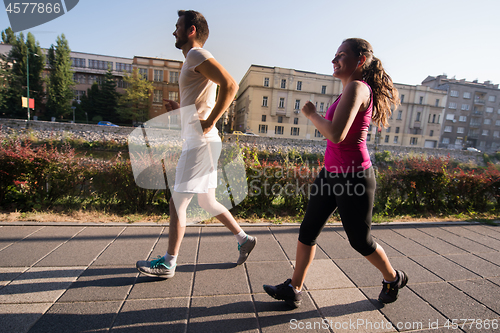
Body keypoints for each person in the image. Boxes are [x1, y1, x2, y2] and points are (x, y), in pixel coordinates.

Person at [263, 38, 407, 307]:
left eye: (341, 55)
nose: (334, 60)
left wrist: (312, 115)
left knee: (360, 242)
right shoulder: (347, 91)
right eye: (335, 55)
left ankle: (393, 277)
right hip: (330, 174)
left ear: (360, 60)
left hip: (353, 177)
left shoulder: (357, 87)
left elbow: (337, 135)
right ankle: (294, 288)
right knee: (308, 230)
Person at [136, 10, 256, 278]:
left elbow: (231, 85)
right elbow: (203, 103)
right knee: (207, 201)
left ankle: (168, 262)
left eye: (177, 26)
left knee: (176, 202)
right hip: (203, 140)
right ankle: (244, 239)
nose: (173, 31)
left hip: (201, 141)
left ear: (191, 30)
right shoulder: (193, 60)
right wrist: (182, 109)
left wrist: (211, 121)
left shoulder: (196, 54)